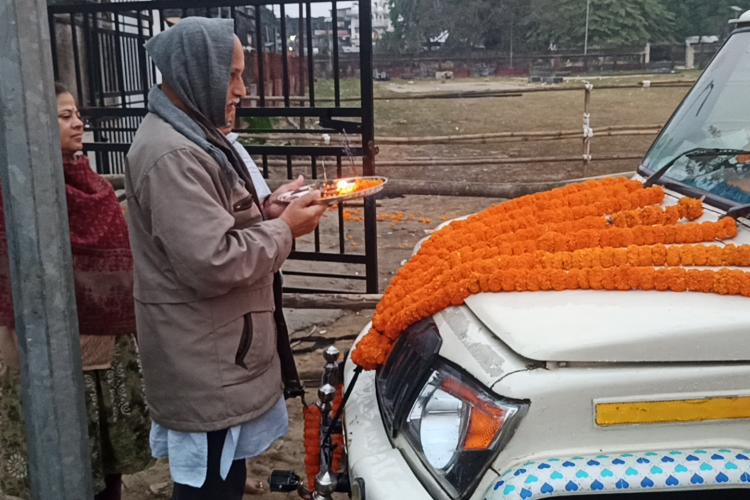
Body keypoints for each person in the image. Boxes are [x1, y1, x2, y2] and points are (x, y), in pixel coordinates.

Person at [124, 17, 327, 500]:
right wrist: (285, 228)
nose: (242, 88)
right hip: (204, 359)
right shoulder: (173, 155)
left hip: (218, 352)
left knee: (224, 480)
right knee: (208, 489)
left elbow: (216, 227)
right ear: (199, 73)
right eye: (233, 74)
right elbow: (212, 260)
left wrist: (267, 212)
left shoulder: (194, 136)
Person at [0, 83, 152, 499]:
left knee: (111, 460)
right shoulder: (17, 190)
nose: (78, 123)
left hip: (109, 348)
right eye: (64, 116)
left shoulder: (92, 184)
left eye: (78, 114)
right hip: (51, 354)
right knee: (65, 461)